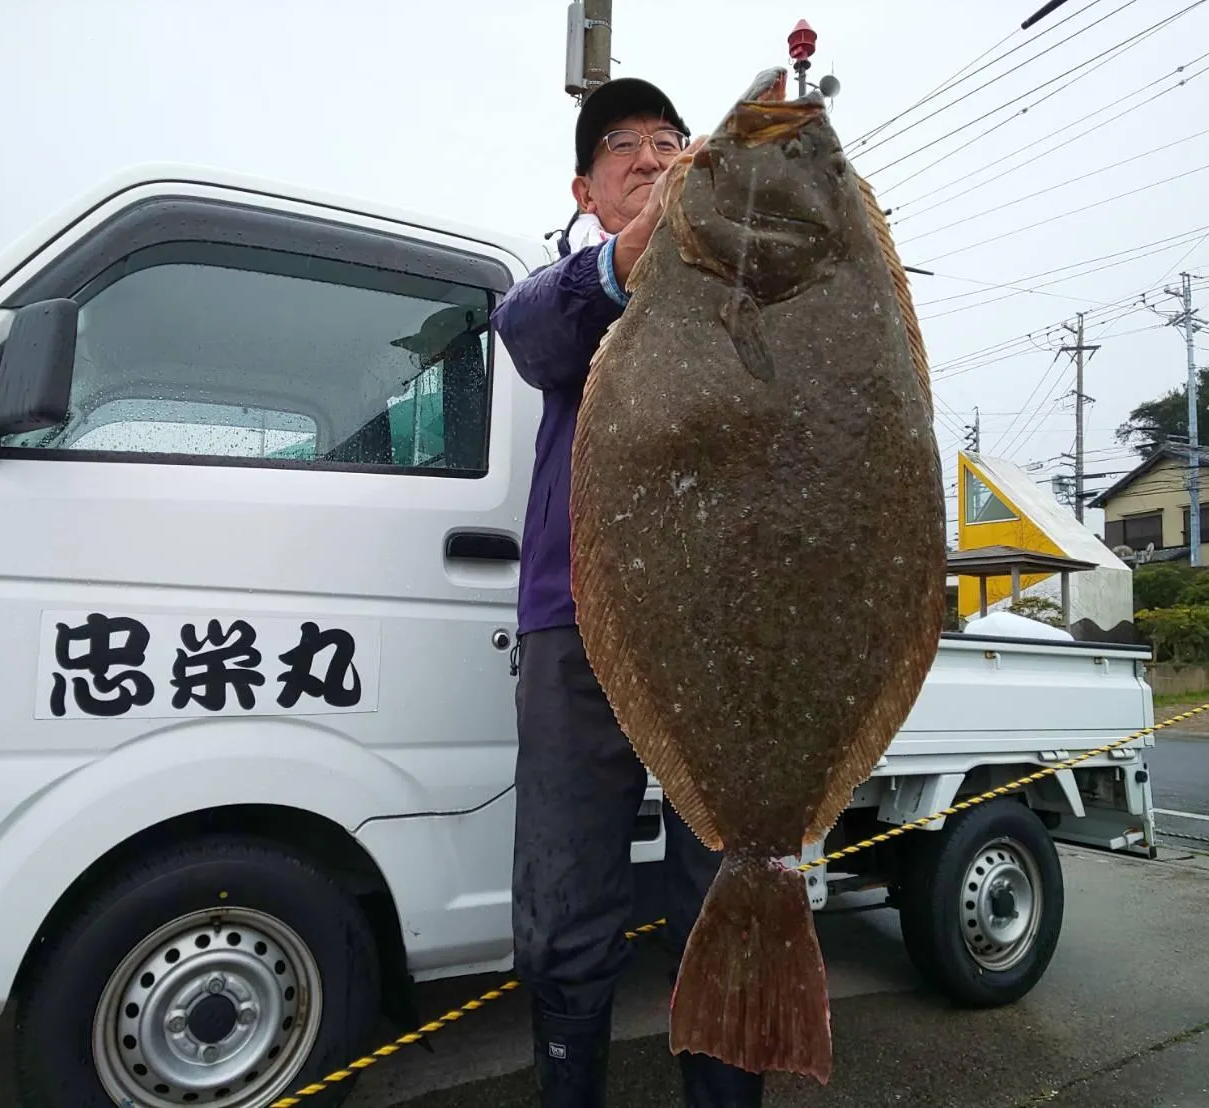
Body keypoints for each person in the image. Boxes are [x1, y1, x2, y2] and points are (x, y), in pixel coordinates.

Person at [491, 77, 767, 1108]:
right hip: (578, 625)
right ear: (587, 189)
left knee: (727, 882)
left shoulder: (748, 293)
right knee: (569, 891)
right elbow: (526, 334)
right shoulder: (564, 289)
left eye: (669, 140)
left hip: (723, 628)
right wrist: (624, 258)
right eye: (624, 148)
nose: (652, 158)